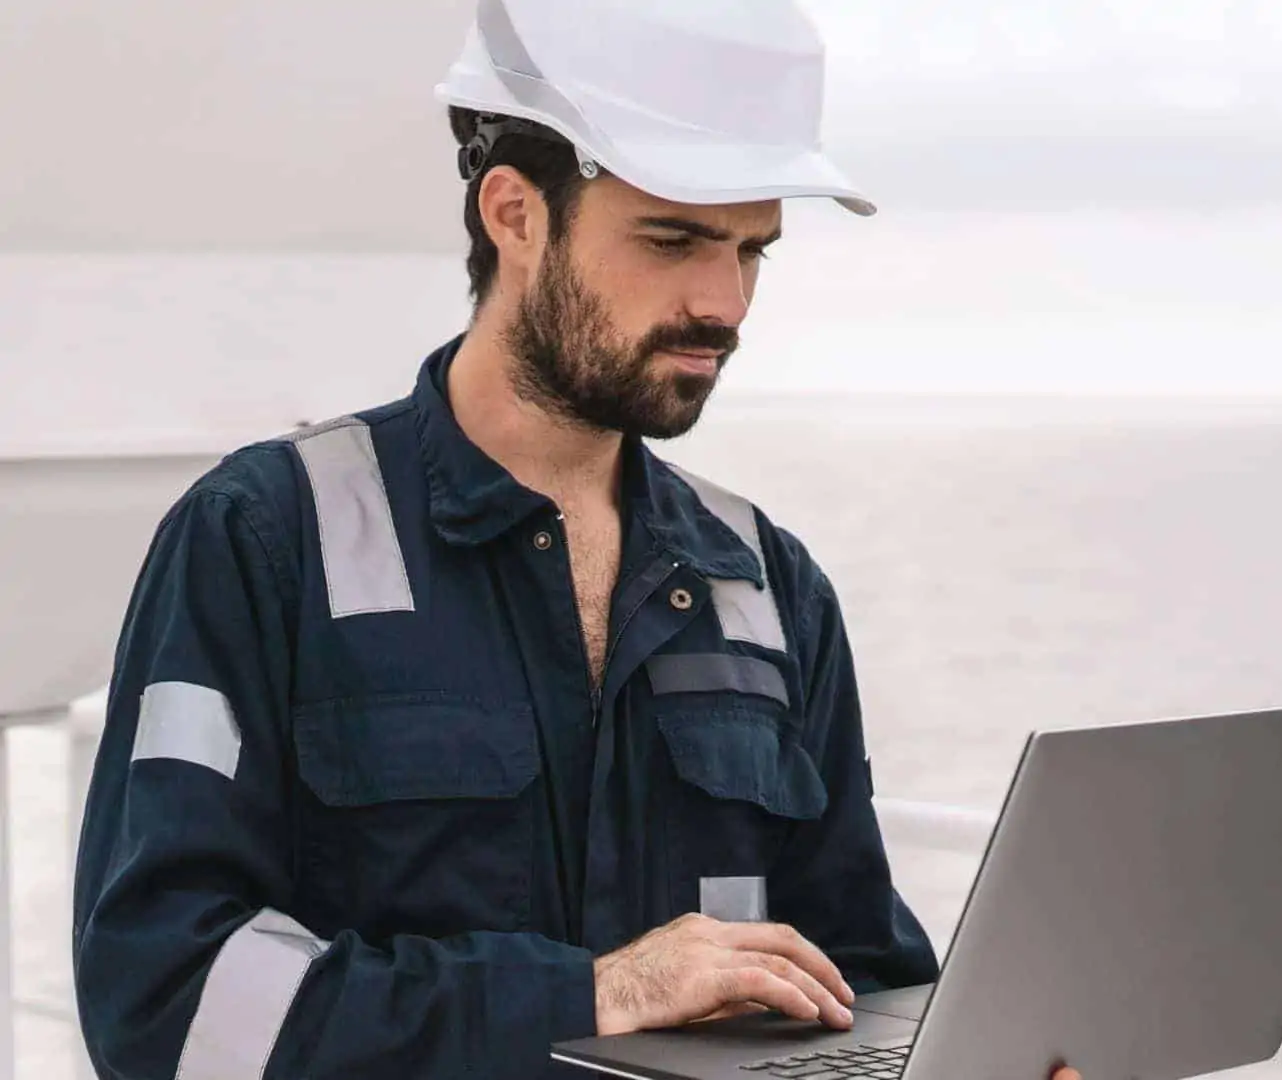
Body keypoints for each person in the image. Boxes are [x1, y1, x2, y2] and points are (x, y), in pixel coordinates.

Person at [70, 2, 1084, 1078]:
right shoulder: (262, 540)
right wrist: (595, 994)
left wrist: (979, 1060)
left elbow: (853, 973)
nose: (724, 302)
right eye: (673, 240)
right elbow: (164, 996)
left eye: (753, 251)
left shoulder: (768, 583)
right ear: (513, 214)